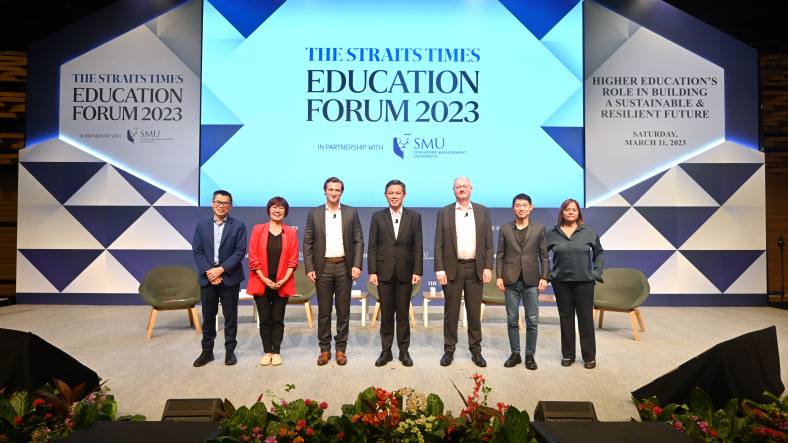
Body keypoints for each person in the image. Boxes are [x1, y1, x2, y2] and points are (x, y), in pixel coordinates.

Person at [303, 177, 364, 366]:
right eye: (330, 190)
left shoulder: (351, 212)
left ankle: (340, 349)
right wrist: (310, 267)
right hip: (324, 267)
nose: (334, 193)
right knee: (324, 312)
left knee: (343, 311)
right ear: (324, 191)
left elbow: (358, 240)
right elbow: (308, 242)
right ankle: (324, 349)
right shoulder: (314, 213)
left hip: (345, 266)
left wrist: (357, 264)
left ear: (341, 192)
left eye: (337, 190)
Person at [434, 177, 494, 367]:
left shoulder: (482, 211)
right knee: (451, 313)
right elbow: (438, 244)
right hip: (453, 269)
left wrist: (487, 267)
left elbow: (489, 243)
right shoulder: (445, 212)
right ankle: (449, 350)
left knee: (474, 313)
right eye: (458, 187)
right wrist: (439, 269)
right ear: (453, 190)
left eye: (465, 186)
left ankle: (476, 351)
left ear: (471, 189)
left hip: (476, 268)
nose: (462, 189)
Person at [368, 180, 423, 367]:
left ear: (404, 196)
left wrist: (417, 270)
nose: (394, 196)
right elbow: (372, 246)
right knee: (386, 314)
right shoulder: (377, 217)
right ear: (385, 195)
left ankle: (404, 350)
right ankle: (386, 351)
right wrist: (372, 271)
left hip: (406, 272)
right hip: (383, 272)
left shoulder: (414, 216)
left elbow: (418, 246)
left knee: (402, 314)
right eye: (390, 193)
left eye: (398, 193)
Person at [192, 190, 248, 367]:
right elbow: (198, 251)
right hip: (208, 278)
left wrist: (221, 270)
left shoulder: (239, 225)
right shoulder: (202, 225)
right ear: (212, 203)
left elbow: (240, 251)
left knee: (230, 317)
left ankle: (230, 351)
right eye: (218, 202)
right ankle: (207, 351)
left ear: (230, 206)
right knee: (208, 318)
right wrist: (211, 272)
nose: (221, 205)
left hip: (229, 278)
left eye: (225, 203)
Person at [546, 199, 604, 369]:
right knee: (566, 319)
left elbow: (599, 252)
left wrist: (596, 272)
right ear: (562, 213)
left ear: (579, 213)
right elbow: (540, 255)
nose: (571, 212)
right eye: (567, 209)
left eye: (574, 209)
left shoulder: (588, 231)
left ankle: (589, 357)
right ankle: (568, 355)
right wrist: (548, 274)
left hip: (584, 282)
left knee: (585, 320)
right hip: (561, 282)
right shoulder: (553, 233)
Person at [496, 193, 549, 370]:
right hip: (510, 279)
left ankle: (530, 355)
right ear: (513, 208)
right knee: (512, 319)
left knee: (532, 319)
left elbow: (544, 255)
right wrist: (499, 276)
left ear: (531, 207)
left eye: (524, 205)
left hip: (532, 280)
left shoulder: (539, 228)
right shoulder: (504, 229)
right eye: (518, 205)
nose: (521, 208)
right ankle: (515, 353)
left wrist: (544, 277)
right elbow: (501, 255)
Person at [246, 197, 299, 367]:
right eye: (274, 207)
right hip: (261, 281)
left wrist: (283, 279)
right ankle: (266, 352)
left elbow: (293, 260)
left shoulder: (290, 232)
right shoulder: (258, 230)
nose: (277, 210)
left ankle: (276, 352)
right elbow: (253, 258)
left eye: (281, 208)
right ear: (269, 209)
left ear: (286, 211)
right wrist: (264, 278)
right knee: (265, 318)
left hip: (282, 282)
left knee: (278, 319)